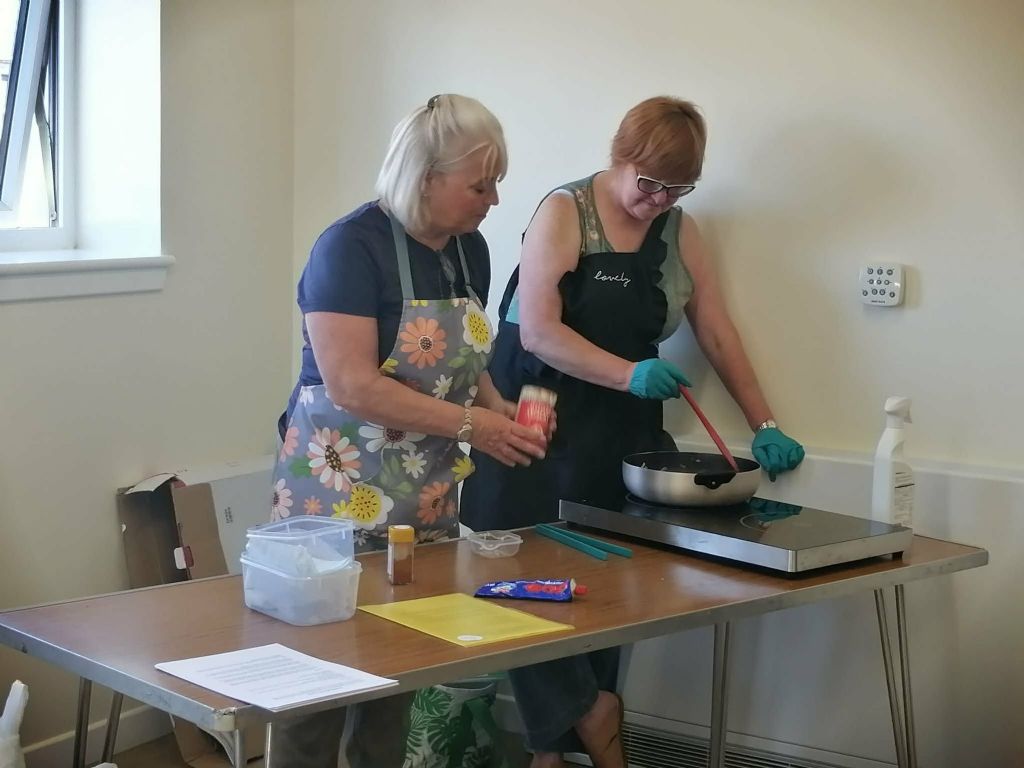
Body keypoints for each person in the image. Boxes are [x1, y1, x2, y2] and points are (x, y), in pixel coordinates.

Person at [460, 96, 805, 768]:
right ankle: (589, 716)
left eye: (677, 189)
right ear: (619, 157)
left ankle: (556, 753)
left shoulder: (679, 231)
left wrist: (764, 422)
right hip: (534, 416)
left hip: (621, 430)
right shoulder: (564, 212)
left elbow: (715, 330)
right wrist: (629, 373)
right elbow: (539, 332)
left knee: (605, 588)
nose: (659, 201)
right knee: (517, 585)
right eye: (649, 183)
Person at [269, 94, 548, 768]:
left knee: (396, 674)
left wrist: (502, 411)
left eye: (496, 184)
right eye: (480, 186)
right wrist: (474, 425)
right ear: (426, 177)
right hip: (334, 496)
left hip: (422, 501)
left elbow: (464, 363)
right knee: (315, 685)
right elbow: (352, 385)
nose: (493, 200)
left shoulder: (469, 250)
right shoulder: (348, 248)